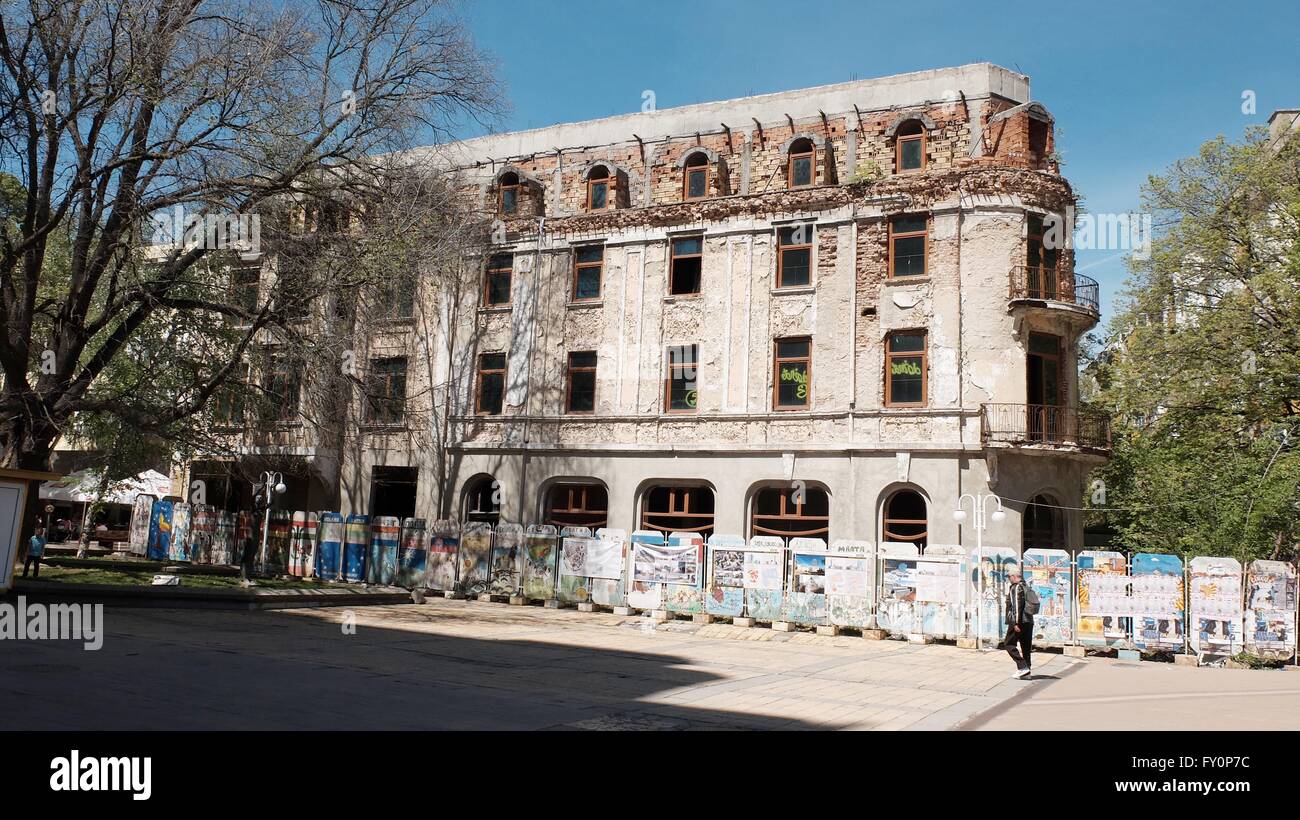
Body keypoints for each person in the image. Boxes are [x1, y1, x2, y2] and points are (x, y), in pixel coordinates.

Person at [1004, 571, 1037, 678]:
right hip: (1029, 621)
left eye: (1009, 577)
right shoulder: (1026, 586)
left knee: (1008, 643)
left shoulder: (1015, 587)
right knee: (1026, 646)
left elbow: (1017, 606)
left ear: (1013, 577)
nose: (1009, 579)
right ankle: (1027, 672)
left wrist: (1016, 623)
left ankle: (1023, 667)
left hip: (1019, 621)